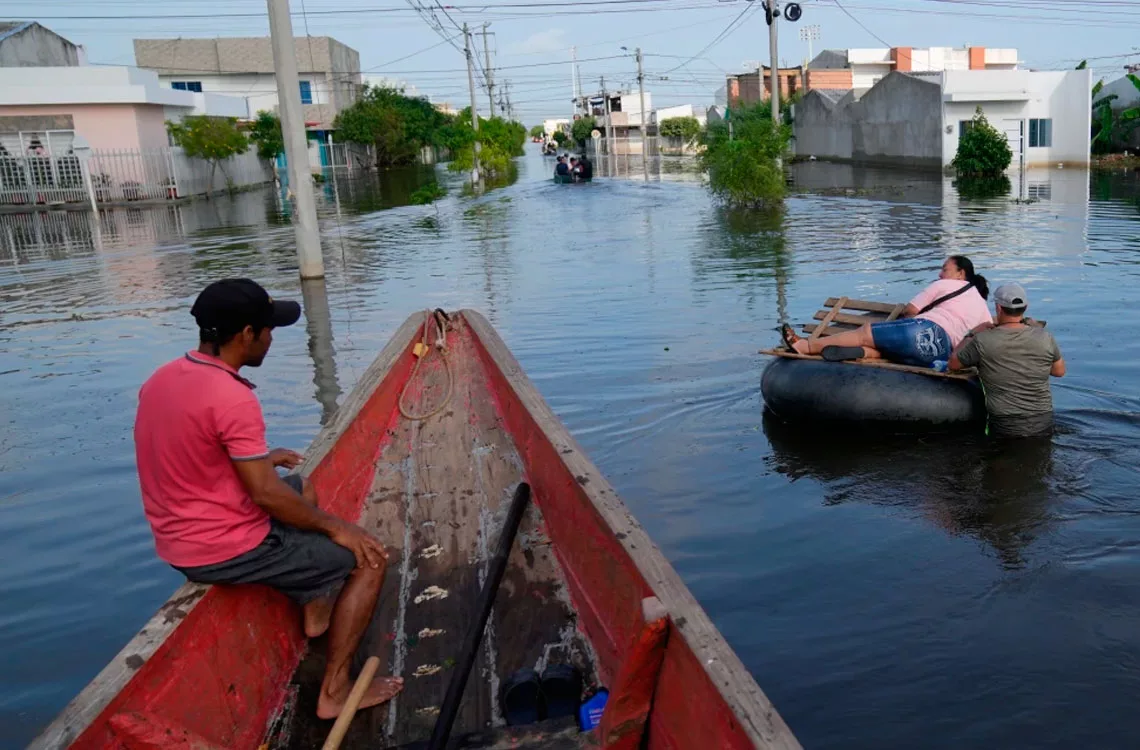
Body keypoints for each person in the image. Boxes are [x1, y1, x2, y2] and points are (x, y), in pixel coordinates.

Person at [133, 279, 403, 719]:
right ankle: (334, 693)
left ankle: (315, 609)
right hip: (221, 548)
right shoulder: (231, 395)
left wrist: (259, 459)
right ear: (246, 334)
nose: (271, 338)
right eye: (268, 329)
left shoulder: (162, 379)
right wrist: (340, 528)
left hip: (176, 538)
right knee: (369, 558)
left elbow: (186, 449)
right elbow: (264, 494)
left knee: (302, 487)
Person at [783, 255, 992, 368]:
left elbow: (911, 310)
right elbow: (984, 336)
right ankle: (866, 352)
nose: (940, 274)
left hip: (925, 330)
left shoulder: (945, 284)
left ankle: (806, 346)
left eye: (944, 269)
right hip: (942, 354)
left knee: (866, 332)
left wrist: (908, 325)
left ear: (960, 274)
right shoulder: (983, 307)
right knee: (889, 348)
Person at [949, 283, 1066, 437]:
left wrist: (972, 333)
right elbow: (1059, 371)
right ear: (1025, 307)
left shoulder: (982, 340)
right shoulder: (1045, 337)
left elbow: (953, 364)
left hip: (1005, 425)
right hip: (1043, 420)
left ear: (998, 308)